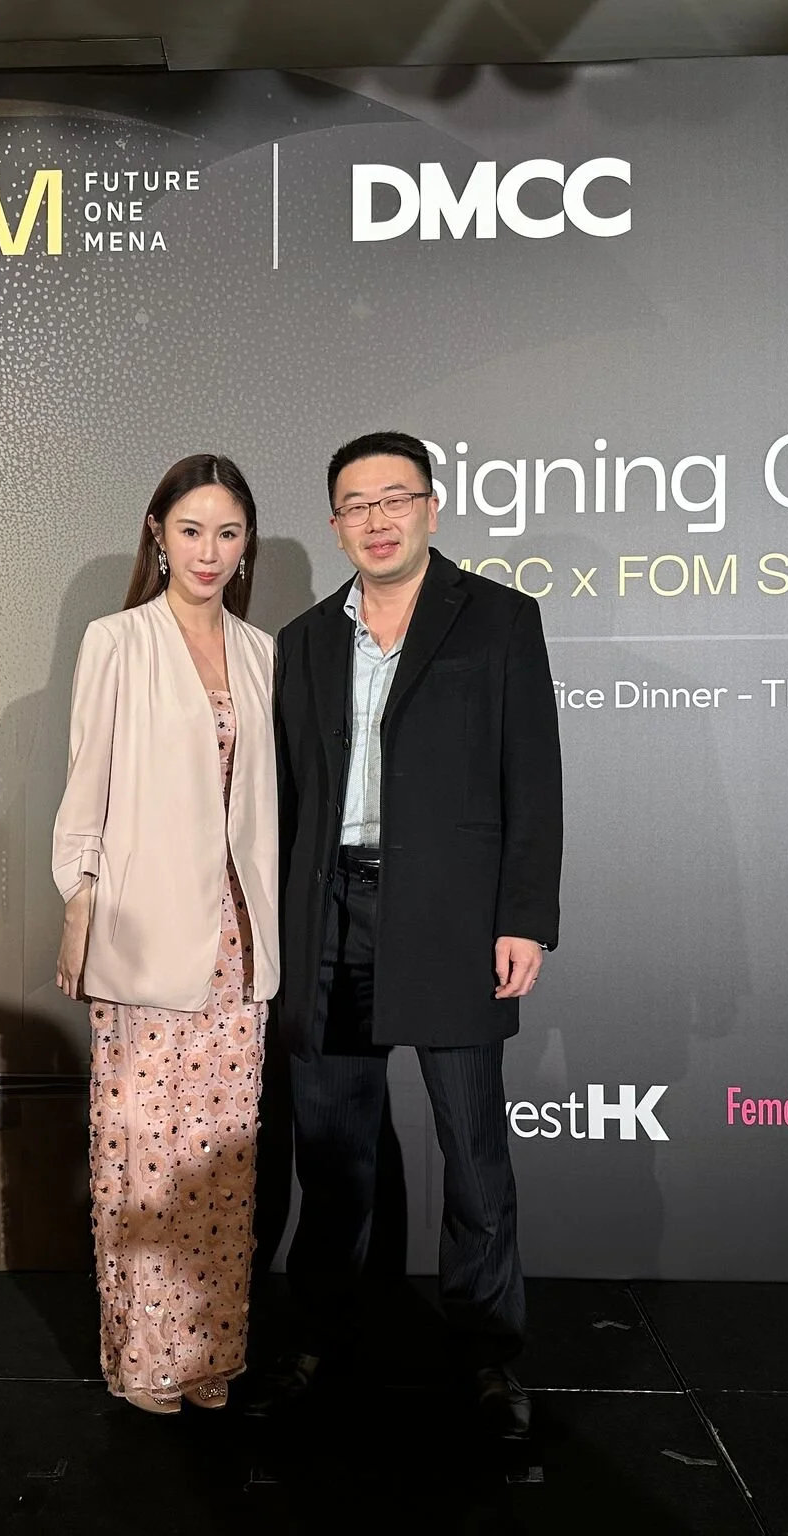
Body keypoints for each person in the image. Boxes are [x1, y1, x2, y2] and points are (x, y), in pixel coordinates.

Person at [254, 430, 563, 1441]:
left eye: (395, 498)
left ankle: (485, 1355)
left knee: (472, 1152)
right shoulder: (300, 640)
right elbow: (283, 800)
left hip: (453, 916)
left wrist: (524, 916)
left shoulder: (499, 620)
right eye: (355, 503)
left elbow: (533, 780)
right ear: (334, 522)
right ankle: (320, 1339)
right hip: (327, 912)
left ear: (431, 507)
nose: (376, 518)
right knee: (330, 1151)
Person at [53, 453, 280, 1416]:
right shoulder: (118, 640)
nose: (209, 551)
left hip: (238, 943)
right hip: (144, 935)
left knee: (219, 1167)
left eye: (228, 533)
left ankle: (209, 1357)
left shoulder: (265, 652)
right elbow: (84, 789)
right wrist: (80, 900)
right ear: (157, 532)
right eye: (191, 530)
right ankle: (146, 1361)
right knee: (143, 1154)